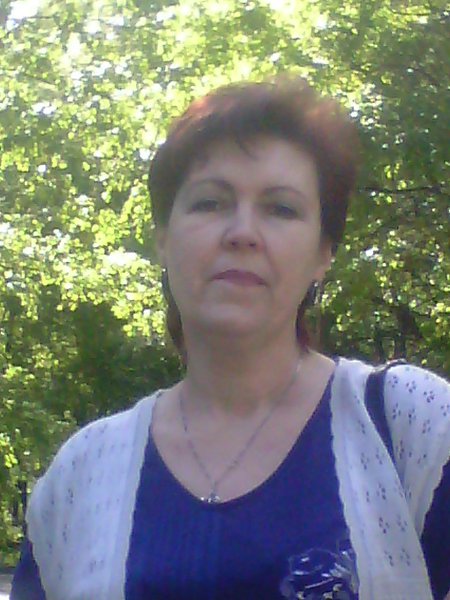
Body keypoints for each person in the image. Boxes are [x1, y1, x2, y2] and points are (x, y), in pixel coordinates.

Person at [11, 77, 450, 600]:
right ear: (163, 239)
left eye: (281, 208)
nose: (242, 232)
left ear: (323, 253)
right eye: (210, 203)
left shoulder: (416, 430)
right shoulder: (80, 477)